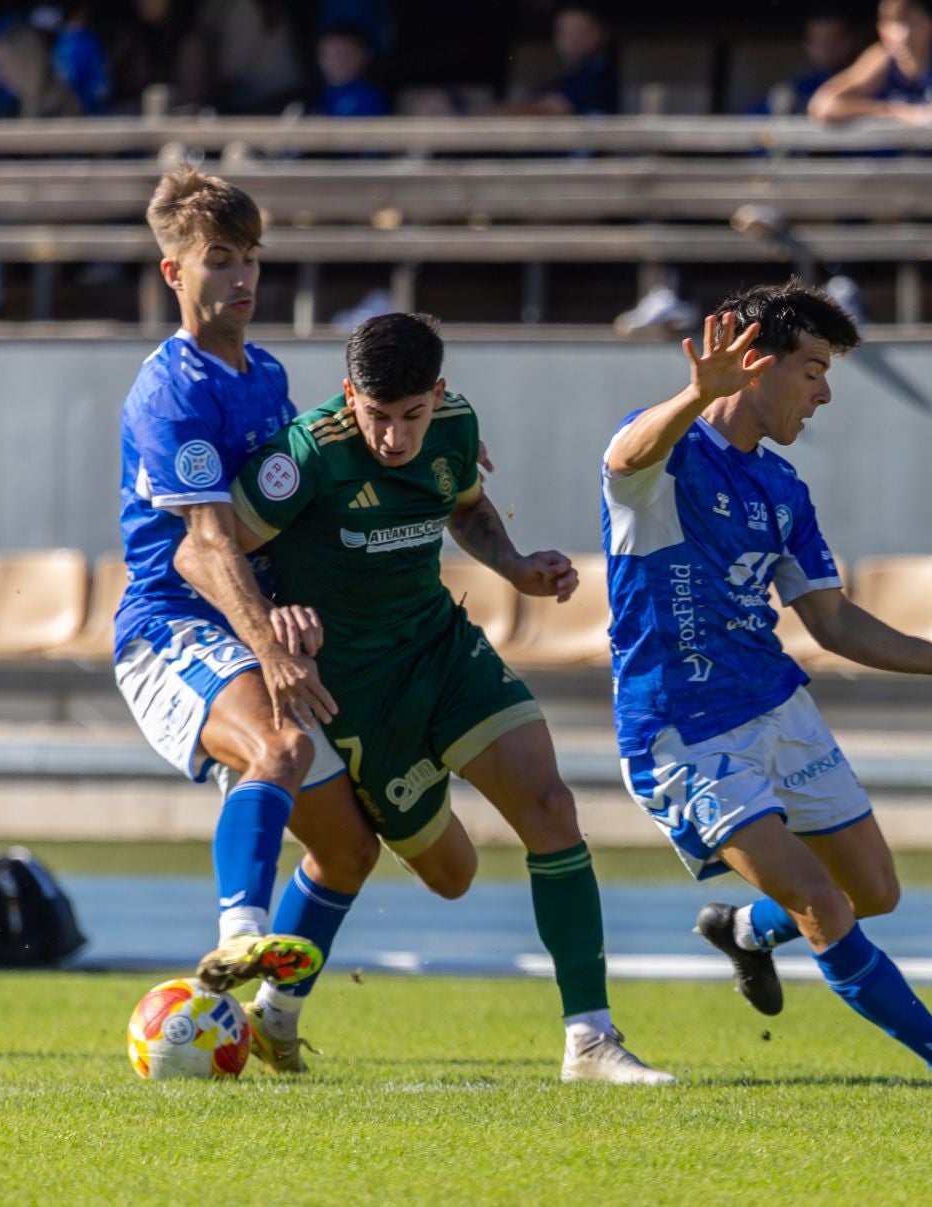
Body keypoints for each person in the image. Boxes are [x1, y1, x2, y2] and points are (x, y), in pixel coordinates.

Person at [600, 282, 932, 1100]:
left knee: (875, 890)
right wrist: (699, 391)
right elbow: (624, 458)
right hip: (684, 732)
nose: (825, 391)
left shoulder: (784, 490)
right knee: (820, 899)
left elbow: (831, 623)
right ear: (754, 365)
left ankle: (743, 930)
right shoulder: (665, 461)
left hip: (776, 709)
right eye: (811, 369)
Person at [223, 313, 675, 1085]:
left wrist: (515, 564)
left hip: (442, 649)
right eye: (376, 416)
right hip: (356, 692)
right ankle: (276, 1009)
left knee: (550, 803)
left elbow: (465, 509)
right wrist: (271, 618)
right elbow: (214, 547)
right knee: (450, 873)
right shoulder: (303, 460)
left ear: (438, 394)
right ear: (347, 396)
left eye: (411, 416)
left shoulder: (456, 425)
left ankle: (590, 1038)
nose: (395, 438)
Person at [113, 164, 384, 1074]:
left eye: (251, 258)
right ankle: (239, 935)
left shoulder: (265, 373)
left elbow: (280, 516)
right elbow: (206, 540)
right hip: (168, 630)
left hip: (242, 624)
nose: (242, 278)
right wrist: (271, 643)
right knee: (280, 741)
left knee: (349, 848)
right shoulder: (171, 390)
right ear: (174, 274)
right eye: (220, 259)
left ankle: (273, 1013)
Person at [807, 0, 932, 335]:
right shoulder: (880, 59)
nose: (903, 34)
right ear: (882, 30)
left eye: (911, 22)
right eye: (894, 24)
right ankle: (846, 287)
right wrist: (888, 109)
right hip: (888, 186)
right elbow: (824, 105)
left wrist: (927, 115)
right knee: (852, 190)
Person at [500, 5, 617, 116]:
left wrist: (490, 114)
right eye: (563, 32)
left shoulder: (598, 73)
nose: (572, 39)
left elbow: (548, 110)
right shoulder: (568, 76)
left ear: (598, 33)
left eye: (579, 31)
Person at [745, 10, 864, 116]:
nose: (825, 48)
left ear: (850, 41)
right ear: (807, 46)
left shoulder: (868, 83)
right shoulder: (798, 89)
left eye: (833, 39)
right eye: (817, 41)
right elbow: (747, 121)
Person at [311, 24, 390, 118]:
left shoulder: (370, 98)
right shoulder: (318, 95)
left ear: (366, 56)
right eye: (329, 55)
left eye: (345, 54)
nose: (337, 62)